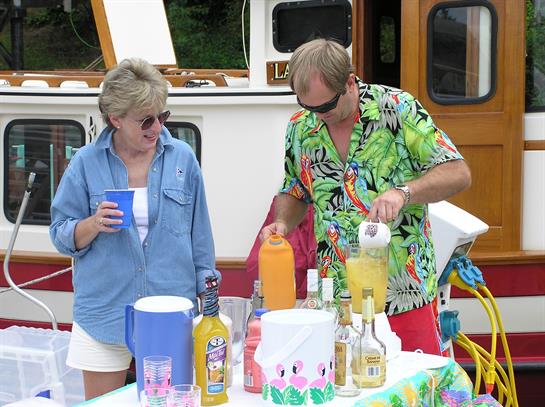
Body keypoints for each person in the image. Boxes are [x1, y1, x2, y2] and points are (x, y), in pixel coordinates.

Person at [260, 39, 471, 355]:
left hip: (402, 292)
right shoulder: (300, 128)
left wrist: (404, 193)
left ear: (349, 82)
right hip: (337, 299)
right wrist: (281, 224)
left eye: (326, 107)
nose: (318, 116)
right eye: (308, 107)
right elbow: (295, 190)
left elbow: (458, 173)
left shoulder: (397, 109)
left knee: (415, 394)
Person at [50, 58, 220, 399]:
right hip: (104, 313)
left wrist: (209, 294)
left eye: (162, 116)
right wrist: (94, 223)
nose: (156, 127)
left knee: (171, 404)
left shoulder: (182, 158)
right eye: (145, 120)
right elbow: (61, 233)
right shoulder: (86, 162)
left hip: (171, 312)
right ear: (116, 119)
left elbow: (200, 234)